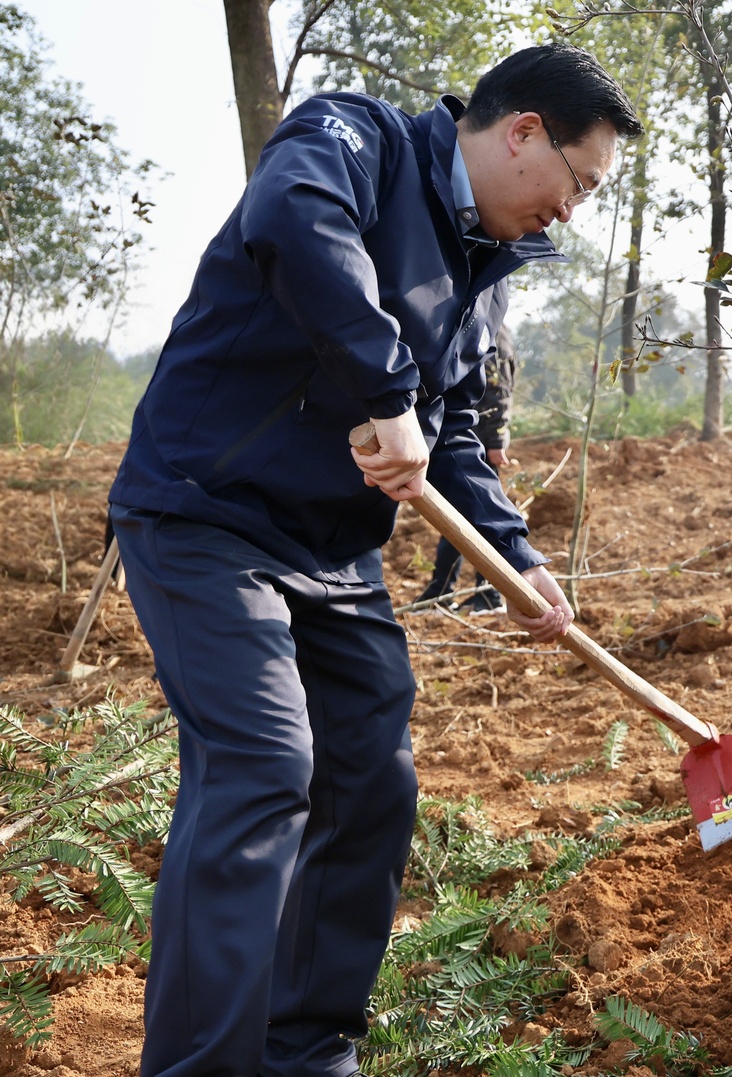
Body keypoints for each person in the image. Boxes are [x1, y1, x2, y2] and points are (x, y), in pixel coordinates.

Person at [107, 44, 640, 1077]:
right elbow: (295, 219)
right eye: (579, 183)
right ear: (523, 131)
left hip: (328, 552)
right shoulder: (357, 140)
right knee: (264, 767)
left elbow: (453, 439)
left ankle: (306, 1049)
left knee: (371, 781)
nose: (574, 212)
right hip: (205, 514)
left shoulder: (485, 263)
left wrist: (515, 558)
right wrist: (385, 390)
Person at [420, 281, 517, 611]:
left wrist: (496, 440)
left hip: (477, 438)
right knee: (457, 515)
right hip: (465, 434)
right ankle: (442, 590)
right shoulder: (470, 320)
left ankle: (488, 592)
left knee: (479, 514)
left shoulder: (492, 328)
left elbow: (498, 388)